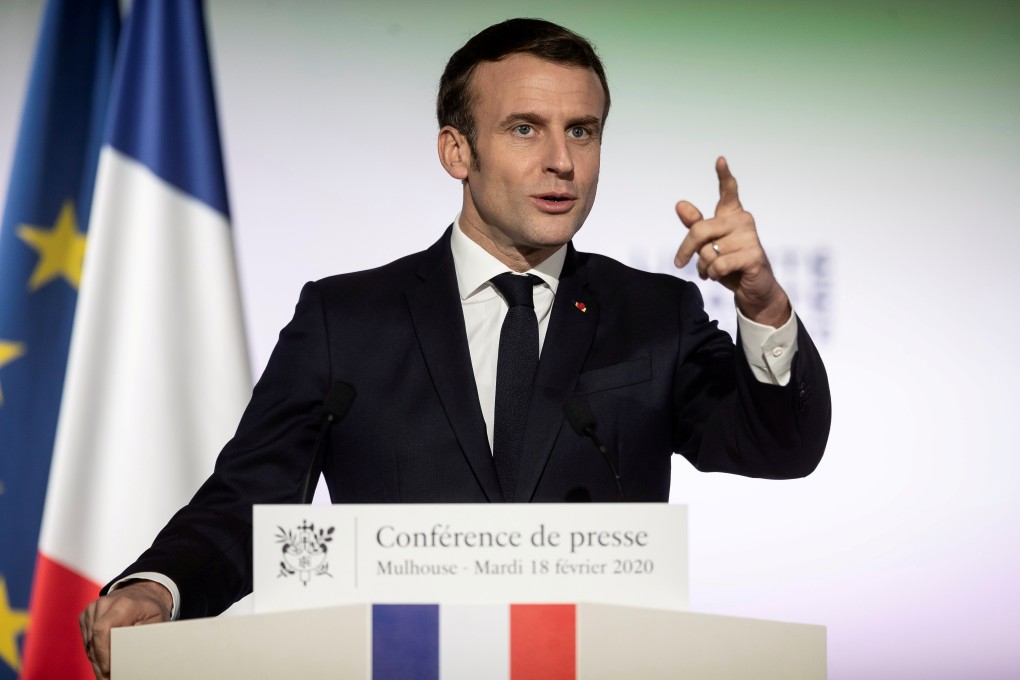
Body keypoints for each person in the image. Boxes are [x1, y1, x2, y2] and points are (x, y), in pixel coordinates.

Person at [79, 18, 830, 679]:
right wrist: (157, 588)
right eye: (524, 128)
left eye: (583, 130)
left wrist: (762, 303)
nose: (562, 162)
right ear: (456, 151)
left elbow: (781, 447)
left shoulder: (653, 313)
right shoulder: (348, 318)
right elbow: (248, 502)